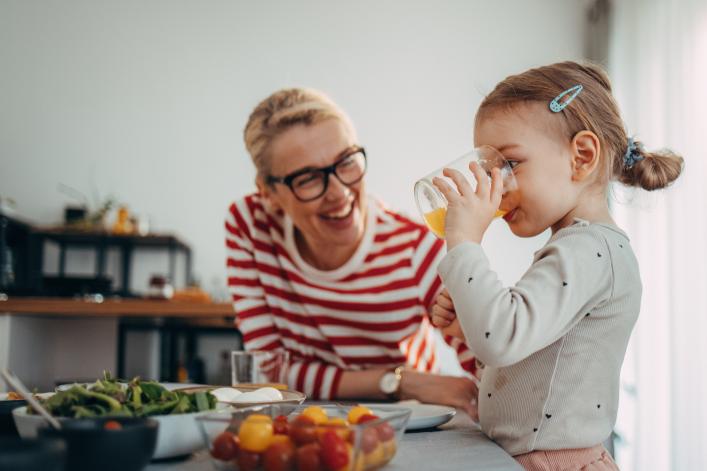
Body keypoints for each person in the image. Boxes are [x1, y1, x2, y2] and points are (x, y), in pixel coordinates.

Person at [430, 61, 683, 470]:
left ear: (581, 156)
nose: (497, 186)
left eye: (509, 164)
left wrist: (463, 243)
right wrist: (469, 323)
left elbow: (502, 338)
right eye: (490, 169)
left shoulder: (588, 250)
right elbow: (524, 361)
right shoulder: (579, 247)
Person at [225, 87, 479, 415]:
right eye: (308, 179)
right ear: (268, 192)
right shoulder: (250, 224)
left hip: (405, 427)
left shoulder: (413, 249)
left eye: (346, 162)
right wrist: (401, 381)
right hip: (305, 425)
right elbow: (274, 371)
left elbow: (486, 363)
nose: (339, 192)